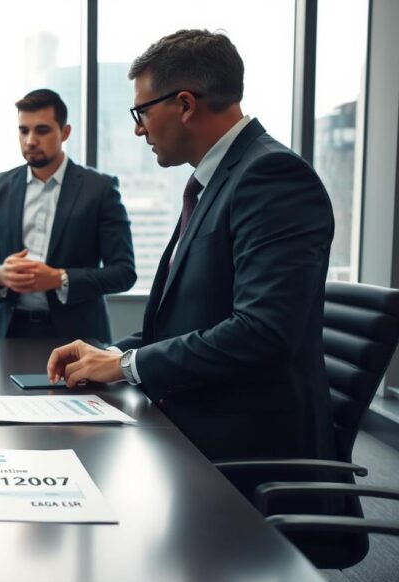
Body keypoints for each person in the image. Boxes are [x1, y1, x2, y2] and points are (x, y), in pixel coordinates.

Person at [45, 30, 337, 498]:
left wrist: (125, 364)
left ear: (184, 104)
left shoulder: (271, 176)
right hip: (197, 429)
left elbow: (262, 332)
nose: (139, 128)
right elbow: (198, 316)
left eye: (142, 112)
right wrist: (108, 354)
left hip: (247, 460)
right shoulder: (219, 180)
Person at [0, 89, 135, 343]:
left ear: (65, 132)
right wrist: (0, 275)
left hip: (78, 337)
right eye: (23, 130)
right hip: (7, 333)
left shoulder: (100, 188)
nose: (30, 140)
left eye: (42, 130)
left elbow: (124, 272)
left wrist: (59, 278)